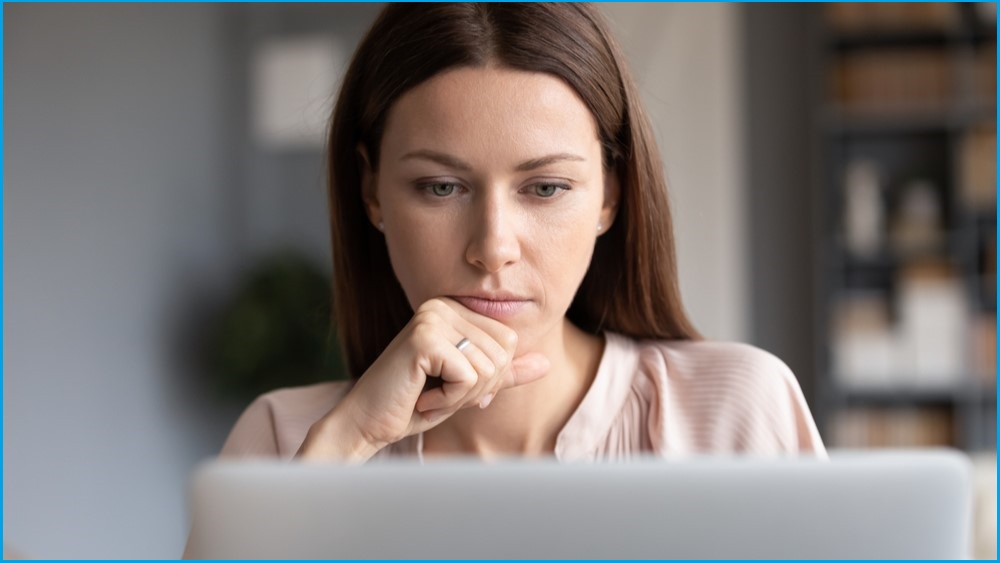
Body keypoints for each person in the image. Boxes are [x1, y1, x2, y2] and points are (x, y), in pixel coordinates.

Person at [217, 2, 826, 463]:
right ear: (372, 191)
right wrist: (349, 442)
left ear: (610, 195)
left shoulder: (736, 416)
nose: (493, 249)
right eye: (440, 187)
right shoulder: (283, 442)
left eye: (545, 188)